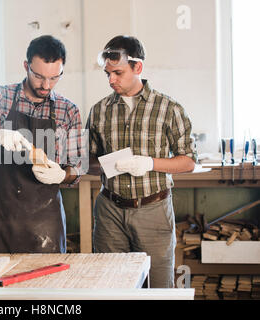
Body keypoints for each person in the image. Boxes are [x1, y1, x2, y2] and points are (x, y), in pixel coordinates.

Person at [86, 35, 196, 288]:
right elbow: (87, 161)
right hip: (109, 212)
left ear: (138, 67)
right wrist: (106, 164)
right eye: (107, 74)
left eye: (118, 72)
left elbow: (188, 161)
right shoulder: (99, 110)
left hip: (153, 211)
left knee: (158, 287)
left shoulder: (169, 109)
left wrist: (150, 164)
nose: (111, 79)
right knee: (111, 287)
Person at [0, 35, 84, 254]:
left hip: (45, 223)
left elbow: (78, 166)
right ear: (26, 66)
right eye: (39, 76)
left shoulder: (67, 111)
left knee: (45, 285)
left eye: (54, 78)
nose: (46, 85)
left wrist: (62, 175)